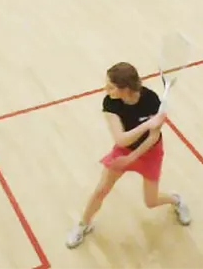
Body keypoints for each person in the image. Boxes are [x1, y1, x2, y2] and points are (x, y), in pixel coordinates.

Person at [65, 62, 192, 249]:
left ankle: (177, 200)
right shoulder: (110, 102)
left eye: (111, 86)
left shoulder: (151, 100)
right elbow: (121, 139)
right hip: (123, 150)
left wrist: (132, 158)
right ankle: (83, 225)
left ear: (125, 89)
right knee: (101, 190)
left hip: (150, 152)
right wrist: (147, 125)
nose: (105, 89)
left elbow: (153, 137)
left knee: (151, 201)